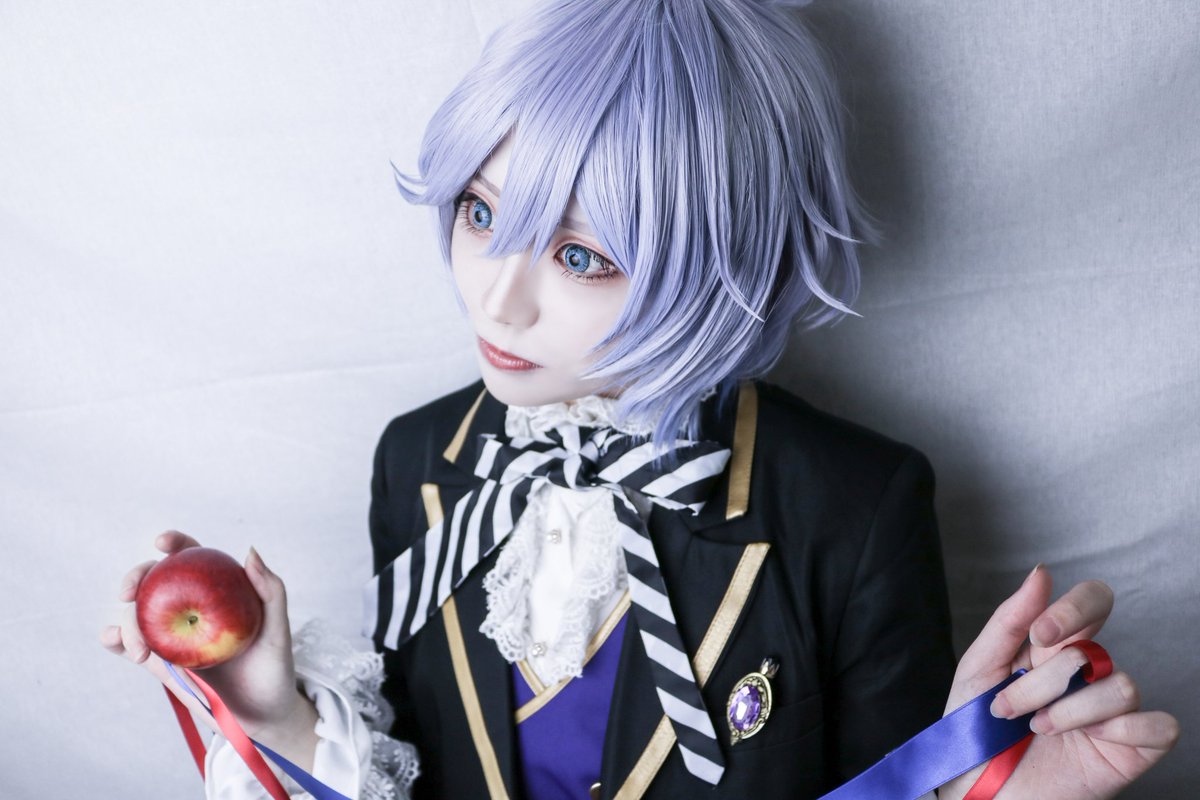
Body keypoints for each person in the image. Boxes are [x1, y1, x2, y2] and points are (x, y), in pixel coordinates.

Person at [100, 0, 1180, 798]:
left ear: (719, 268)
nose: (498, 297)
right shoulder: (418, 462)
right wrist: (273, 710)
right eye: (481, 212)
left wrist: (971, 786)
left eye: (579, 254)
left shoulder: (855, 507)